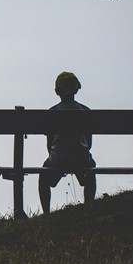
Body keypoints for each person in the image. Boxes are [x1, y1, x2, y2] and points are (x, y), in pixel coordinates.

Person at [39, 71, 97, 213]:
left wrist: (57, 157)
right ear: (76, 89)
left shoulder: (52, 113)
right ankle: (88, 206)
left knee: (44, 175)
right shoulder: (85, 112)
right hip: (81, 158)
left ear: (57, 92)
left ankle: (46, 213)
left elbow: (49, 144)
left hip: (58, 159)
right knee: (91, 166)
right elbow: (89, 144)